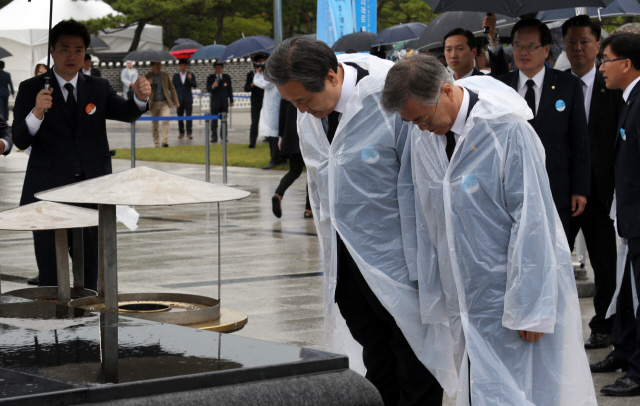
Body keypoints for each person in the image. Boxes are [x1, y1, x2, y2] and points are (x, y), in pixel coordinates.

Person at [382, 53, 596, 405]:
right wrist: (434, 288)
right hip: (464, 294)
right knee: (477, 386)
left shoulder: (507, 131)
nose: (419, 128)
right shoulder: (426, 137)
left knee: (521, 388)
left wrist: (530, 304)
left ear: (447, 91)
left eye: (422, 118)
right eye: (411, 122)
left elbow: (533, 220)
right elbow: (428, 217)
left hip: (508, 293)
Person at [264, 37, 457, 406]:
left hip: (401, 262)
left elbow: (424, 185)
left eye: (304, 100)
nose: (301, 112)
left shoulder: (387, 98)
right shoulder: (311, 116)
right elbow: (321, 189)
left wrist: (424, 266)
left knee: (414, 359)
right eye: (293, 103)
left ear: (333, 76)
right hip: (348, 261)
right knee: (376, 357)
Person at [11, 19, 150, 291]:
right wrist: (37, 112)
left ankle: (88, 328)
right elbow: (19, 138)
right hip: (47, 192)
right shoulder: (31, 88)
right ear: (52, 51)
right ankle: (53, 329)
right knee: (51, 276)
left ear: (85, 52)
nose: (71, 56)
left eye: (78, 49)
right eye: (64, 49)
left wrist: (140, 99)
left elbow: (127, 112)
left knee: (90, 275)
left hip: (91, 191)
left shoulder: (98, 87)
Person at [486, 17, 591, 237]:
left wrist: (580, 189)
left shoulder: (567, 84)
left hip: (556, 186)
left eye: (531, 46)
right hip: (512, 187)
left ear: (546, 50)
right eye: (517, 46)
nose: (523, 52)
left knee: (555, 254)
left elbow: (579, 139)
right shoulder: (501, 86)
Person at [560, 15, 621, 350]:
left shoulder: (610, 85)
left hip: (600, 192)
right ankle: (556, 326)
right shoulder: (556, 85)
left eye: (585, 41)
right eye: (571, 41)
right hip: (562, 192)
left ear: (598, 45)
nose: (578, 48)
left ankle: (604, 326)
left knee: (605, 266)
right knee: (552, 261)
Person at [590, 32, 640, 397]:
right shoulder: (628, 97)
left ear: (625, 63)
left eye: (604, 59)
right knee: (627, 294)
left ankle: (638, 371)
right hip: (628, 218)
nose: (601, 68)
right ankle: (624, 352)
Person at [270, 99, 312, 219]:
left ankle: (278, 194)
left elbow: (281, 113)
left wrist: (282, 137)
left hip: (291, 136)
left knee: (294, 171)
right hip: (307, 133)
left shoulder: (286, 86)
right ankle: (309, 208)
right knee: (311, 173)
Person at [442, 28, 506, 79]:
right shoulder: (440, 86)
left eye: (459, 49)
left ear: (473, 52)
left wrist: (492, 37)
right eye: (448, 50)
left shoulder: (486, 81)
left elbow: (501, 73)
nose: (453, 55)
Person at [253, 61, 281, 170]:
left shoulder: (274, 75)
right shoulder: (274, 75)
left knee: (273, 133)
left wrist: (257, 73)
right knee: (272, 133)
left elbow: (262, 83)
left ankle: (274, 159)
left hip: (274, 109)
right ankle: (277, 158)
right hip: (272, 107)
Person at [145, 61, 179, 147]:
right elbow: (142, 90)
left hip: (165, 102)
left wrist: (176, 101)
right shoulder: (148, 76)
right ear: (152, 66)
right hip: (153, 103)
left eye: (160, 64)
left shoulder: (165, 75)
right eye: (156, 65)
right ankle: (156, 143)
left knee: (165, 120)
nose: (159, 66)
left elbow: (172, 88)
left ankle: (164, 141)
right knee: (154, 125)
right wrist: (148, 83)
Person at [206, 62, 234, 143]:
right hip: (215, 102)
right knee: (214, 121)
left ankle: (224, 137)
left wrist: (231, 100)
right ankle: (214, 137)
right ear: (214, 69)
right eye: (216, 68)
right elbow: (208, 89)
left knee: (224, 121)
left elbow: (230, 89)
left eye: (220, 68)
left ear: (222, 68)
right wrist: (213, 86)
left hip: (224, 102)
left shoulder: (226, 77)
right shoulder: (211, 78)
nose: (218, 70)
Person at [244, 54, 266, 148]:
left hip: (266, 101)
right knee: (255, 122)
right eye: (259, 62)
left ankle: (268, 138)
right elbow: (247, 88)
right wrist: (255, 77)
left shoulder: (268, 74)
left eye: (262, 62)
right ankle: (252, 141)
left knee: (267, 120)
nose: (261, 64)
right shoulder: (251, 74)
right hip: (256, 101)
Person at [172, 59, 197, 139]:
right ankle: (181, 132)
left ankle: (189, 132)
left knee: (189, 116)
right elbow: (173, 89)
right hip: (179, 99)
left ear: (187, 66)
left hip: (188, 99)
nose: (183, 67)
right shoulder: (175, 76)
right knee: (180, 116)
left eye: (185, 65)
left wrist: (190, 79)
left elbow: (195, 85)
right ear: (179, 66)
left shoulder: (190, 75)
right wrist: (173, 100)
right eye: (181, 65)